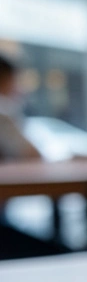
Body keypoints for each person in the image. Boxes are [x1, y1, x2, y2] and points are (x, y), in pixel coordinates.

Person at [0, 54, 65, 259]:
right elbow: (32, 155)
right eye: (16, 80)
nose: (20, 88)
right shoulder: (2, 111)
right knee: (56, 255)